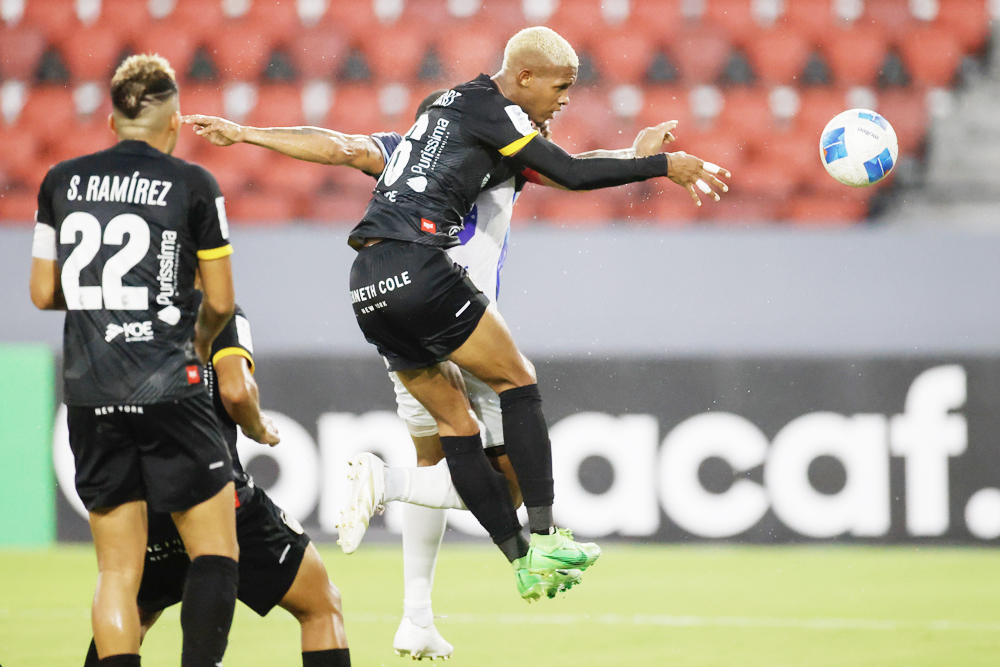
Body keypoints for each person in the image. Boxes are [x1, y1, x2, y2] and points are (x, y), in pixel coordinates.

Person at [184, 87, 679, 654]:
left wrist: (247, 133)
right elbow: (566, 168)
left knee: (438, 457)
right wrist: (641, 162)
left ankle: (416, 614)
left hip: (393, 295)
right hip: (456, 310)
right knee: (505, 481)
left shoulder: (405, 158)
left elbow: (342, 147)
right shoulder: (501, 150)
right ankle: (400, 493)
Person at [345, 25, 730, 601]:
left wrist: (631, 155)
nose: (567, 99)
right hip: (428, 279)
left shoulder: (448, 117)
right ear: (523, 78)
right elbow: (570, 173)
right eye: (561, 86)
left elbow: (563, 165)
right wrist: (660, 166)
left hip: (367, 285)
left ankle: (520, 560)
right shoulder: (494, 114)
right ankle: (538, 535)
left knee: (457, 431)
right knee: (518, 381)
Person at [29, 54, 240, 667]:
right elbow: (221, 300)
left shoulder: (60, 180)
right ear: (173, 120)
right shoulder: (193, 184)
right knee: (215, 554)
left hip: (90, 390)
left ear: (113, 117)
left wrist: (104, 300)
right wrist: (194, 338)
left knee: (117, 571)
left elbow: (43, 293)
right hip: (168, 384)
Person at [79, 303, 352, 667]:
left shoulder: (114, 315)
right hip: (210, 489)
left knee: (128, 609)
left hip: (142, 501)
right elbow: (236, 391)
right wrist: (256, 425)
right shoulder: (210, 306)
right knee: (320, 605)